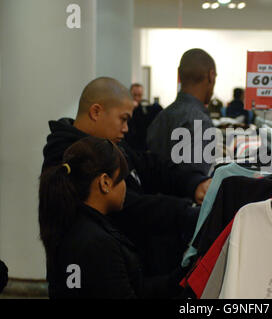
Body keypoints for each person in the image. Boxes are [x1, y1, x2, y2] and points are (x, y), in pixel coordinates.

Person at [41, 77, 211, 290]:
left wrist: (194, 183)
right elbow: (129, 206)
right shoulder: (69, 157)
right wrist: (186, 213)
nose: (126, 128)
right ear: (96, 112)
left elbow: (150, 165)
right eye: (123, 119)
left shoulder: (109, 146)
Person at [40, 136, 177, 298]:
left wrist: (176, 280)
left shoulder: (72, 225)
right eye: (123, 178)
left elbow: (131, 287)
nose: (126, 186)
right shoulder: (97, 242)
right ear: (105, 182)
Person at [147, 48, 216, 176]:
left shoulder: (161, 117)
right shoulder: (200, 123)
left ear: (179, 74)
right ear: (211, 76)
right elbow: (196, 183)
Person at [126, 83, 163, 152]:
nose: (137, 98)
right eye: (134, 95)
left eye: (139, 95)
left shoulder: (145, 109)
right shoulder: (124, 108)